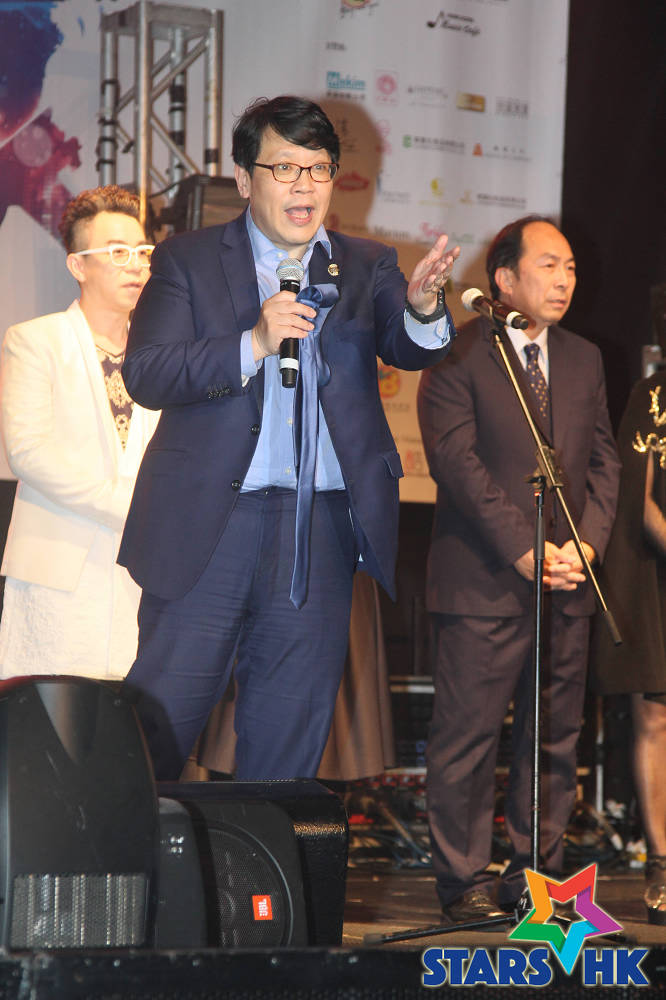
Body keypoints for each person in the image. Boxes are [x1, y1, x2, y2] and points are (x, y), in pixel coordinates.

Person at [119, 95, 460, 782]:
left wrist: (425, 309)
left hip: (319, 529)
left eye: (319, 167)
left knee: (287, 745)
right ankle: (122, 852)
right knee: (154, 733)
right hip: (211, 526)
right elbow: (147, 373)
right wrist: (251, 342)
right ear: (245, 179)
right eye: (284, 168)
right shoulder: (188, 260)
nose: (305, 185)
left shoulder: (367, 264)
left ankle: (263, 857)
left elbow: (407, 346)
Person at [417, 215, 620, 923]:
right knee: (468, 738)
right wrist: (523, 547)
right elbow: (455, 462)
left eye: (571, 268)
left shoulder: (585, 358)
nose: (565, 280)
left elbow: (604, 462)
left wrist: (587, 546)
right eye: (548, 266)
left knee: (555, 739)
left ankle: (538, 876)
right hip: (483, 580)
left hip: (568, 582)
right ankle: (463, 879)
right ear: (504, 278)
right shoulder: (457, 352)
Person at [0, 185, 160, 679]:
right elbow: (28, 451)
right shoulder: (36, 340)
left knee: (136, 718)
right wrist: (130, 505)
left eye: (142, 252)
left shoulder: (161, 356)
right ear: (78, 265)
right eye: (117, 252)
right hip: (59, 571)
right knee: (52, 715)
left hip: (142, 575)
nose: (135, 265)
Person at [590, 371, 666, 924]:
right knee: (657, 719)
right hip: (656, 575)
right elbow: (638, 496)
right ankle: (661, 862)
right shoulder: (654, 394)